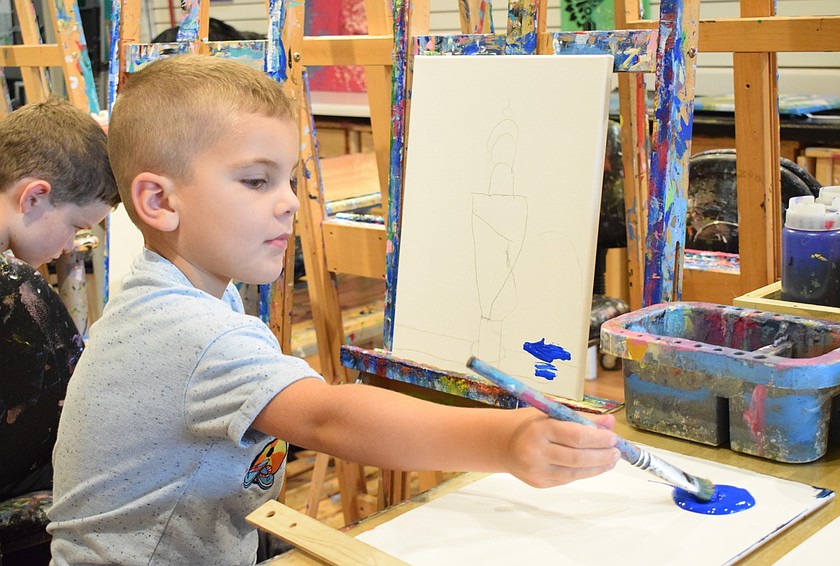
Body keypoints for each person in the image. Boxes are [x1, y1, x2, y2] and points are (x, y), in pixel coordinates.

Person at [47, 55, 621, 565]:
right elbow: (329, 417)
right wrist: (507, 440)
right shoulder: (188, 331)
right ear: (159, 201)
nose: (290, 201)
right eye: (256, 181)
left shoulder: (172, 294)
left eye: (289, 179)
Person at [0, 97, 119, 500]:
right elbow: (73, 419)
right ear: (33, 197)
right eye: (75, 226)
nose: (71, 243)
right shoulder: (14, 286)